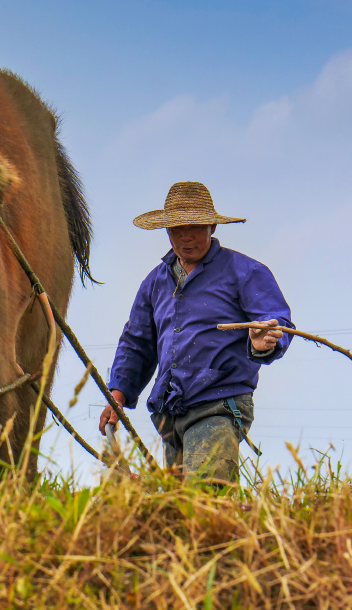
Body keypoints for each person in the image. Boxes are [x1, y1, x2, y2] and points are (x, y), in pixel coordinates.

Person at [98, 181, 292, 484]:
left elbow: (275, 322)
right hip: (170, 412)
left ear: (212, 226)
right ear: (166, 231)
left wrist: (262, 341)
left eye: (195, 227)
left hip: (218, 404)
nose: (186, 237)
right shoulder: (155, 283)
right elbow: (137, 343)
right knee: (178, 511)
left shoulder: (244, 271)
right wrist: (117, 396)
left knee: (204, 497)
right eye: (177, 229)